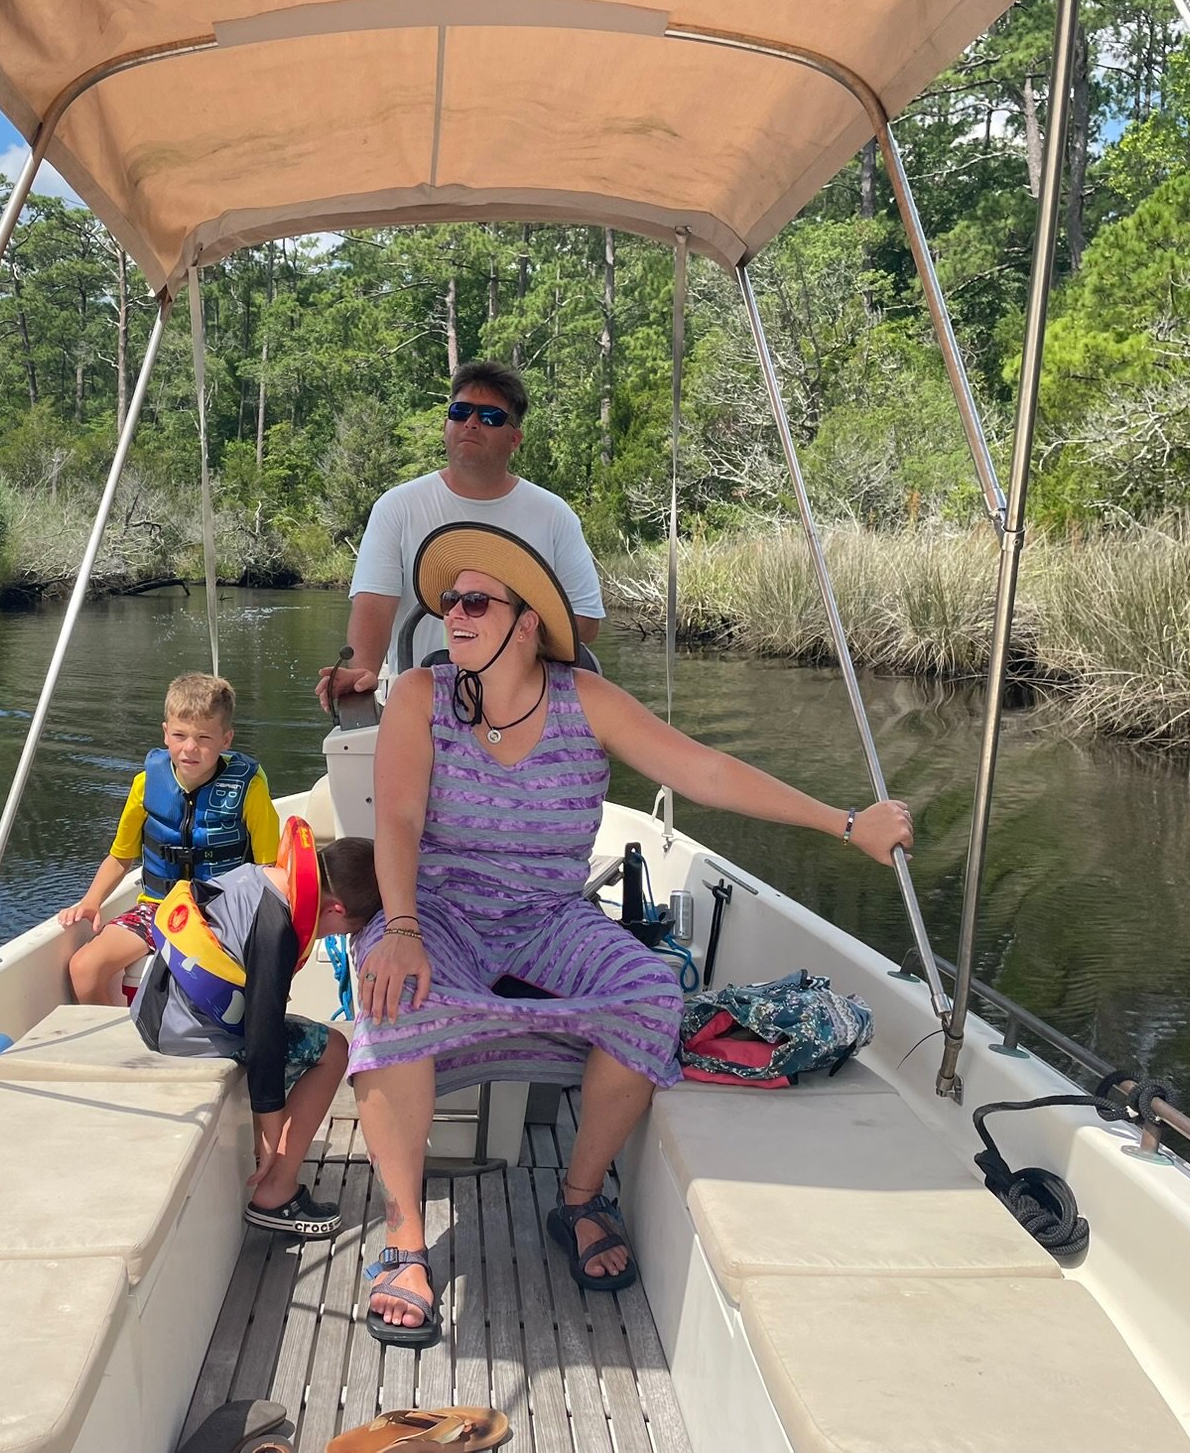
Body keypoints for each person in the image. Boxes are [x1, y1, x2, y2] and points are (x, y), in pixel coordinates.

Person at [350, 522, 914, 1347]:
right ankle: (404, 1241)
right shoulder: (421, 696)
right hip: (440, 911)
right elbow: (396, 817)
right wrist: (400, 926)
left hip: (549, 917)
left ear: (527, 621)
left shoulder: (589, 702)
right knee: (390, 997)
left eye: (474, 601)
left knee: (650, 994)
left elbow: (706, 772)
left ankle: (578, 1200)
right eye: (447, 603)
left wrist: (847, 822)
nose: (453, 617)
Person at [132, 821, 382, 1238]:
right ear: (337, 910)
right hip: (187, 1032)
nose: (337, 937)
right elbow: (263, 1034)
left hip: (154, 1007)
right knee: (334, 1049)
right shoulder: (277, 929)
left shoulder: (262, 876)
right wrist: (269, 1126)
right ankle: (276, 1193)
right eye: (347, 931)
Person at [316, 360, 604, 712]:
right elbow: (374, 605)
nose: (471, 422)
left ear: (515, 438)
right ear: (446, 425)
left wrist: (507, 641)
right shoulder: (397, 507)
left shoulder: (555, 514)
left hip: (529, 709)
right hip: (421, 708)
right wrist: (361, 675)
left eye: (490, 417)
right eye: (460, 411)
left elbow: (586, 622)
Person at [58, 672, 280, 1006]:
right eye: (180, 735)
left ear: (226, 740)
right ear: (165, 734)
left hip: (222, 912)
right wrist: (91, 901)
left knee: (217, 977)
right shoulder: (145, 786)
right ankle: (117, 1054)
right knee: (84, 967)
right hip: (159, 908)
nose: (190, 748)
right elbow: (120, 857)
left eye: (204, 738)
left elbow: (269, 868)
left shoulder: (250, 789)